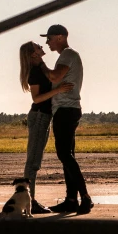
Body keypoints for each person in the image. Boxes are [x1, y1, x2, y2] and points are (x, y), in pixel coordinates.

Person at [37, 24, 93, 215]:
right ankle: (71, 199)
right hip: (67, 110)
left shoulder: (68, 54)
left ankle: (85, 197)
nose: (47, 42)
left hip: (66, 110)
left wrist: (39, 63)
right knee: (67, 155)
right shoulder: (67, 56)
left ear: (60, 37)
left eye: (50, 38)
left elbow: (54, 75)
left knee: (64, 154)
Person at [20, 40, 74, 214]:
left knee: (34, 160)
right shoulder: (35, 72)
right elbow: (36, 99)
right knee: (33, 162)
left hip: (44, 117)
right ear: (32, 53)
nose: (42, 46)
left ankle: (29, 200)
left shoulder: (40, 68)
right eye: (37, 46)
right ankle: (30, 202)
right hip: (39, 117)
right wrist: (58, 91)